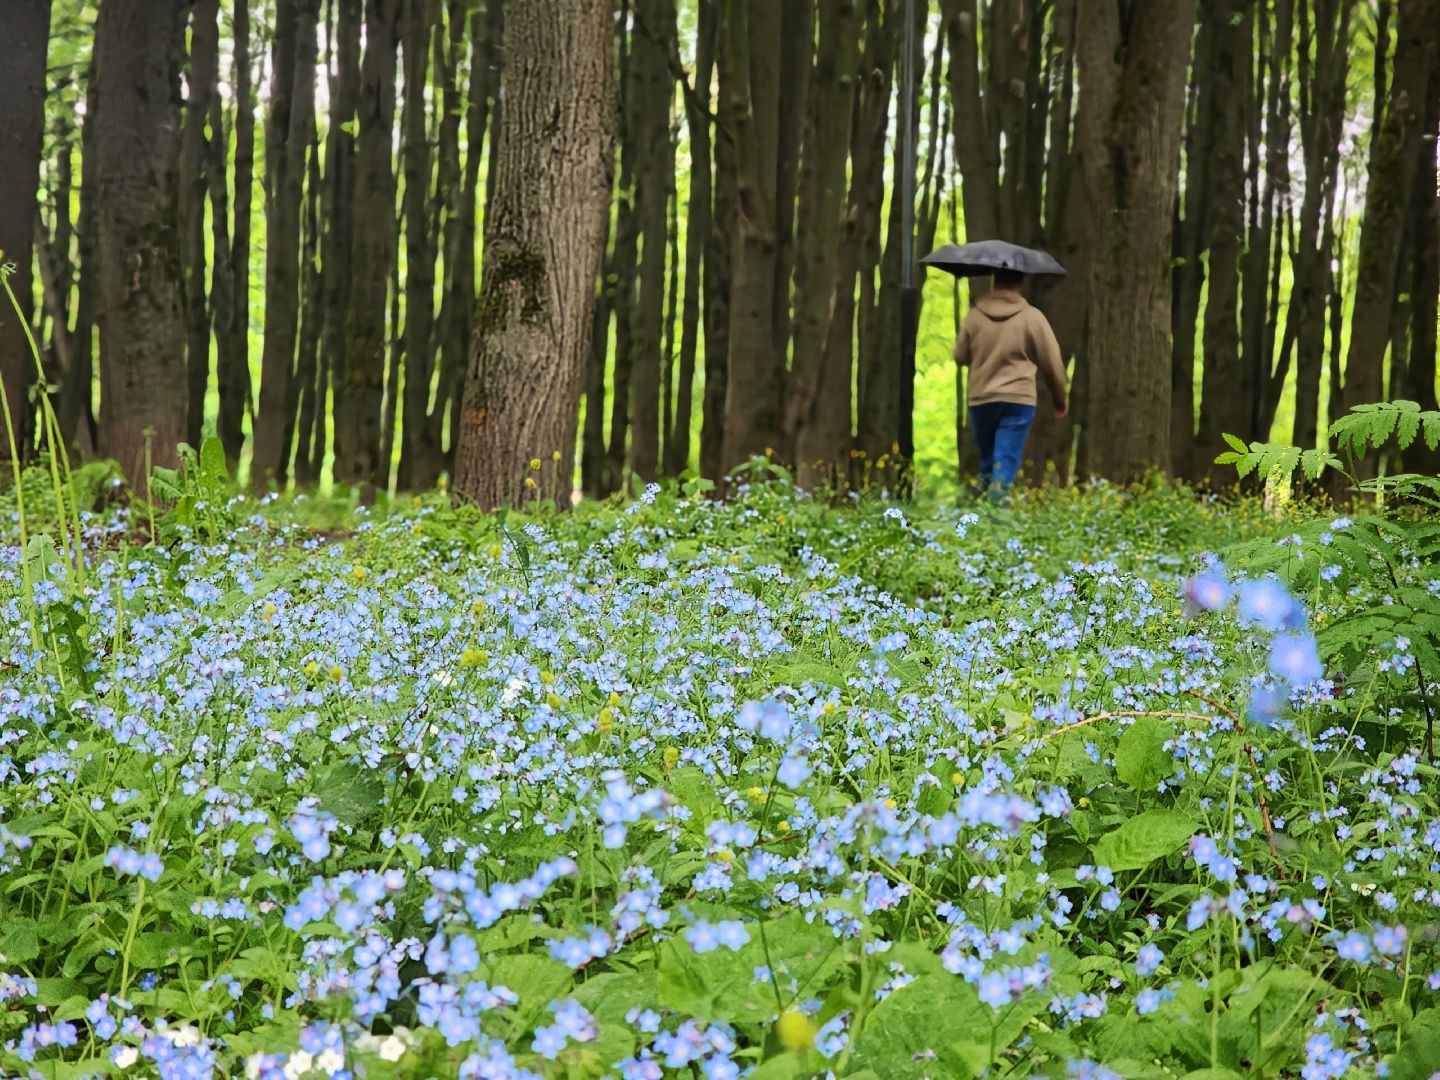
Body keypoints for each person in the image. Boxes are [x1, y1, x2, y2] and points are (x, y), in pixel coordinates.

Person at [953, 269, 1068, 496]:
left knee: (987, 463)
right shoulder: (1031, 317)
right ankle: (996, 521)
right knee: (1004, 460)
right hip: (1018, 400)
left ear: (994, 281)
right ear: (1021, 283)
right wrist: (1059, 400)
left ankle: (984, 520)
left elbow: (959, 356)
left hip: (982, 399)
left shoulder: (974, 316)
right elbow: (1053, 363)